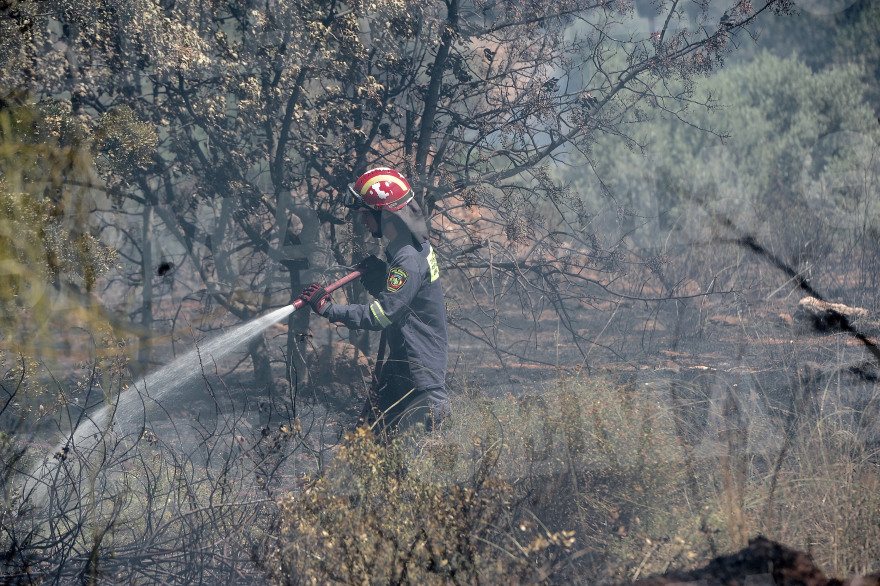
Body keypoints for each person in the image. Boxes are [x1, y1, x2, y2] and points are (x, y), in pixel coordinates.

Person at [301, 167, 449, 439]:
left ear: (387, 214)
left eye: (366, 215)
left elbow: (381, 315)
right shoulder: (407, 246)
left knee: (424, 457)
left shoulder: (407, 258)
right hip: (406, 364)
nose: (364, 222)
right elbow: (409, 299)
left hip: (419, 376)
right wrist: (384, 276)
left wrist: (328, 309)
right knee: (376, 443)